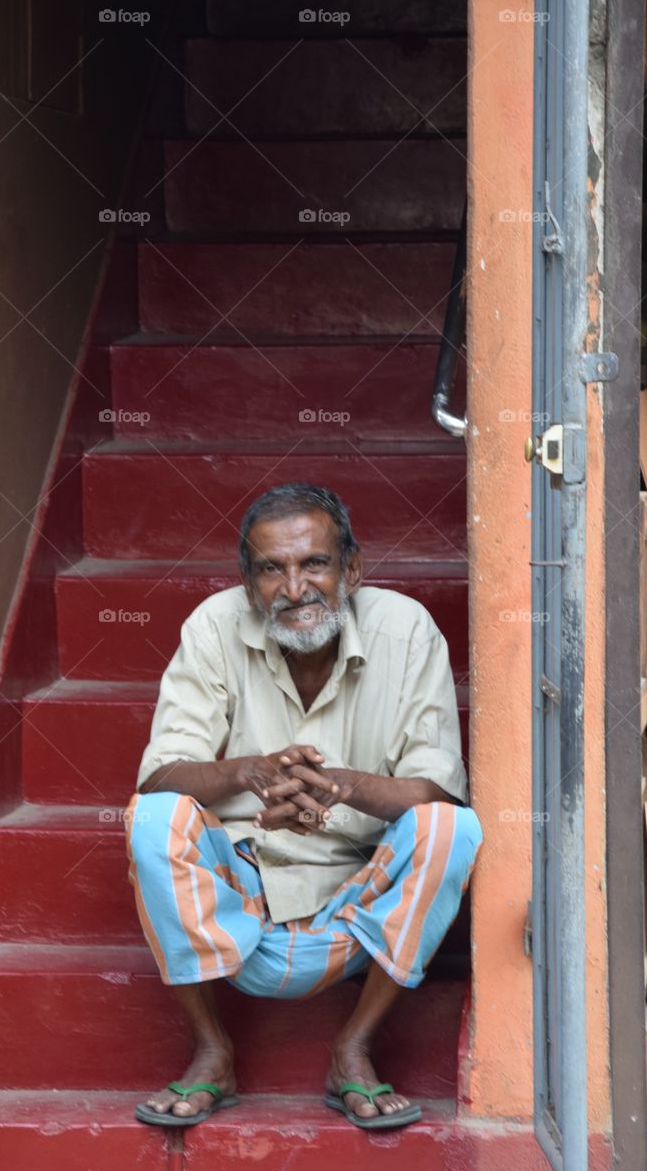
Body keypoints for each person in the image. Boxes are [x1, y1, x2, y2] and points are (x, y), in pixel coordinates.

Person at [124, 481, 483, 1130]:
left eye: (314, 563)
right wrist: (253, 773)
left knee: (450, 827)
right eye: (271, 569)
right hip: (243, 886)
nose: (294, 589)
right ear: (246, 580)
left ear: (351, 567)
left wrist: (336, 787)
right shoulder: (213, 625)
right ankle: (212, 1050)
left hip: (358, 892)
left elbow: (434, 787)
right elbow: (160, 775)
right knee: (152, 817)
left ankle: (353, 1048)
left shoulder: (405, 630)